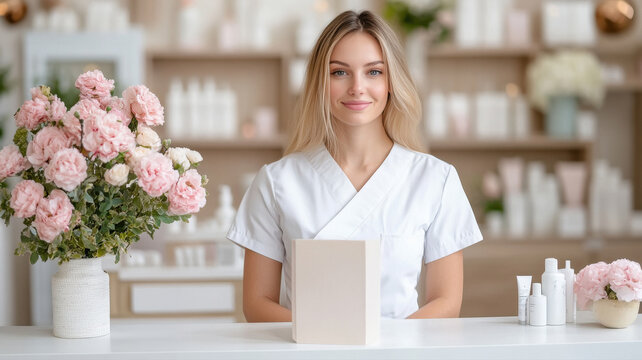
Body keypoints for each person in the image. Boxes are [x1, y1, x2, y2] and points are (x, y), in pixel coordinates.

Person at [227, 10, 482, 322]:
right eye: (339, 72)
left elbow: (446, 302)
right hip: (308, 351)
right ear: (320, 82)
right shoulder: (276, 182)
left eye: (373, 72)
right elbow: (256, 303)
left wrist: (385, 344)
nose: (357, 87)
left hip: (401, 352)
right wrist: (323, 335)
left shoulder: (435, 179)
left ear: (392, 81)